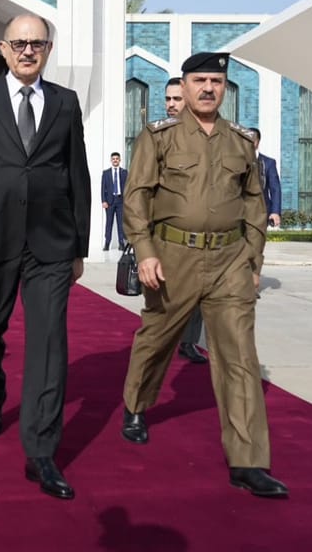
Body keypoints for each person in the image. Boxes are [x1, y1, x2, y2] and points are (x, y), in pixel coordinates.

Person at [119, 52, 288, 498]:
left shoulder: (241, 142)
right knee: (157, 338)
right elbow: (136, 197)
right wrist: (145, 252)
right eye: (200, 81)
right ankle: (136, 404)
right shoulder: (159, 137)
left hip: (230, 261)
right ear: (185, 86)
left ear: (225, 87)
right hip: (173, 257)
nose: (209, 88)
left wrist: (252, 261)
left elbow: (254, 204)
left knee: (239, 358)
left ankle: (248, 462)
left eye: (216, 81)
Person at [0, 13, 91, 500]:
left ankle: (41, 450)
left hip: (51, 243)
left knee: (49, 343)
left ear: (48, 50)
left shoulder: (65, 102)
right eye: (20, 43)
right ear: (3, 48)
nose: (28, 51)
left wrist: (80, 247)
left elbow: (78, 174)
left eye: (37, 43)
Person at [166, 78, 209, 365]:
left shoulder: (208, 138)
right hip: (166, 234)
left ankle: (188, 341)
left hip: (198, 233)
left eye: (177, 99)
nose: (171, 105)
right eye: (168, 99)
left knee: (198, 295)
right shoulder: (156, 136)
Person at [251, 127, 282, 228]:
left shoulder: (268, 163)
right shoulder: (237, 162)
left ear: (257, 142)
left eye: (252, 140)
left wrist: (275, 212)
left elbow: (275, 189)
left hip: (261, 213)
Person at [101, 152, 127, 251]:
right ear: (111, 160)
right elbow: (103, 188)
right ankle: (107, 243)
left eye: (117, 159)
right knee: (109, 223)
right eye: (113, 159)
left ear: (119, 160)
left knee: (121, 223)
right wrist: (103, 201)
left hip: (121, 201)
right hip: (110, 201)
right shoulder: (106, 173)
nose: (115, 160)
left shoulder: (124, 172)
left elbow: (127, 187)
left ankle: (121, 243)